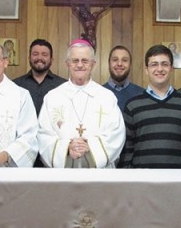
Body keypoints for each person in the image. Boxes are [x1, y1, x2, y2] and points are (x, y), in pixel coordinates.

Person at [37, 39, 125, 168]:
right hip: (63, 176)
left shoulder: (106, 97)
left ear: (93, 64)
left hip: (99, 176)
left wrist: (90, 147)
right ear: (67, 64)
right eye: (75, 61)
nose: (79, 65)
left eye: (85, 61)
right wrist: (67, 148)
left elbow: (116, 134)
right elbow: (43, 135)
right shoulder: (53, 97)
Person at [118, 45, 181, 169]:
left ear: (171, 68)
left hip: (177, 183)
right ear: (146, 69)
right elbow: (127, 151)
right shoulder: (132, 106)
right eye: (154, 64)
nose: (159, 69)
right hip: (142, 182)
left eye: (164, 64)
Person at [14, 39, 67, 167]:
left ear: (51, 59)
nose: (39, 58)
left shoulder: (63, 87)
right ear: (29, 57)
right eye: (35, 54)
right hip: (22, 151)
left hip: (53, 151)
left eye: (44, 54)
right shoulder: (15, 86)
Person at [103, 45, 145, 111]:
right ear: (109, 63)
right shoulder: (98, 93)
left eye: (124, 60)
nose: (119, 64)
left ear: (130, 65)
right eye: (115, 60)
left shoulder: (142, 94)